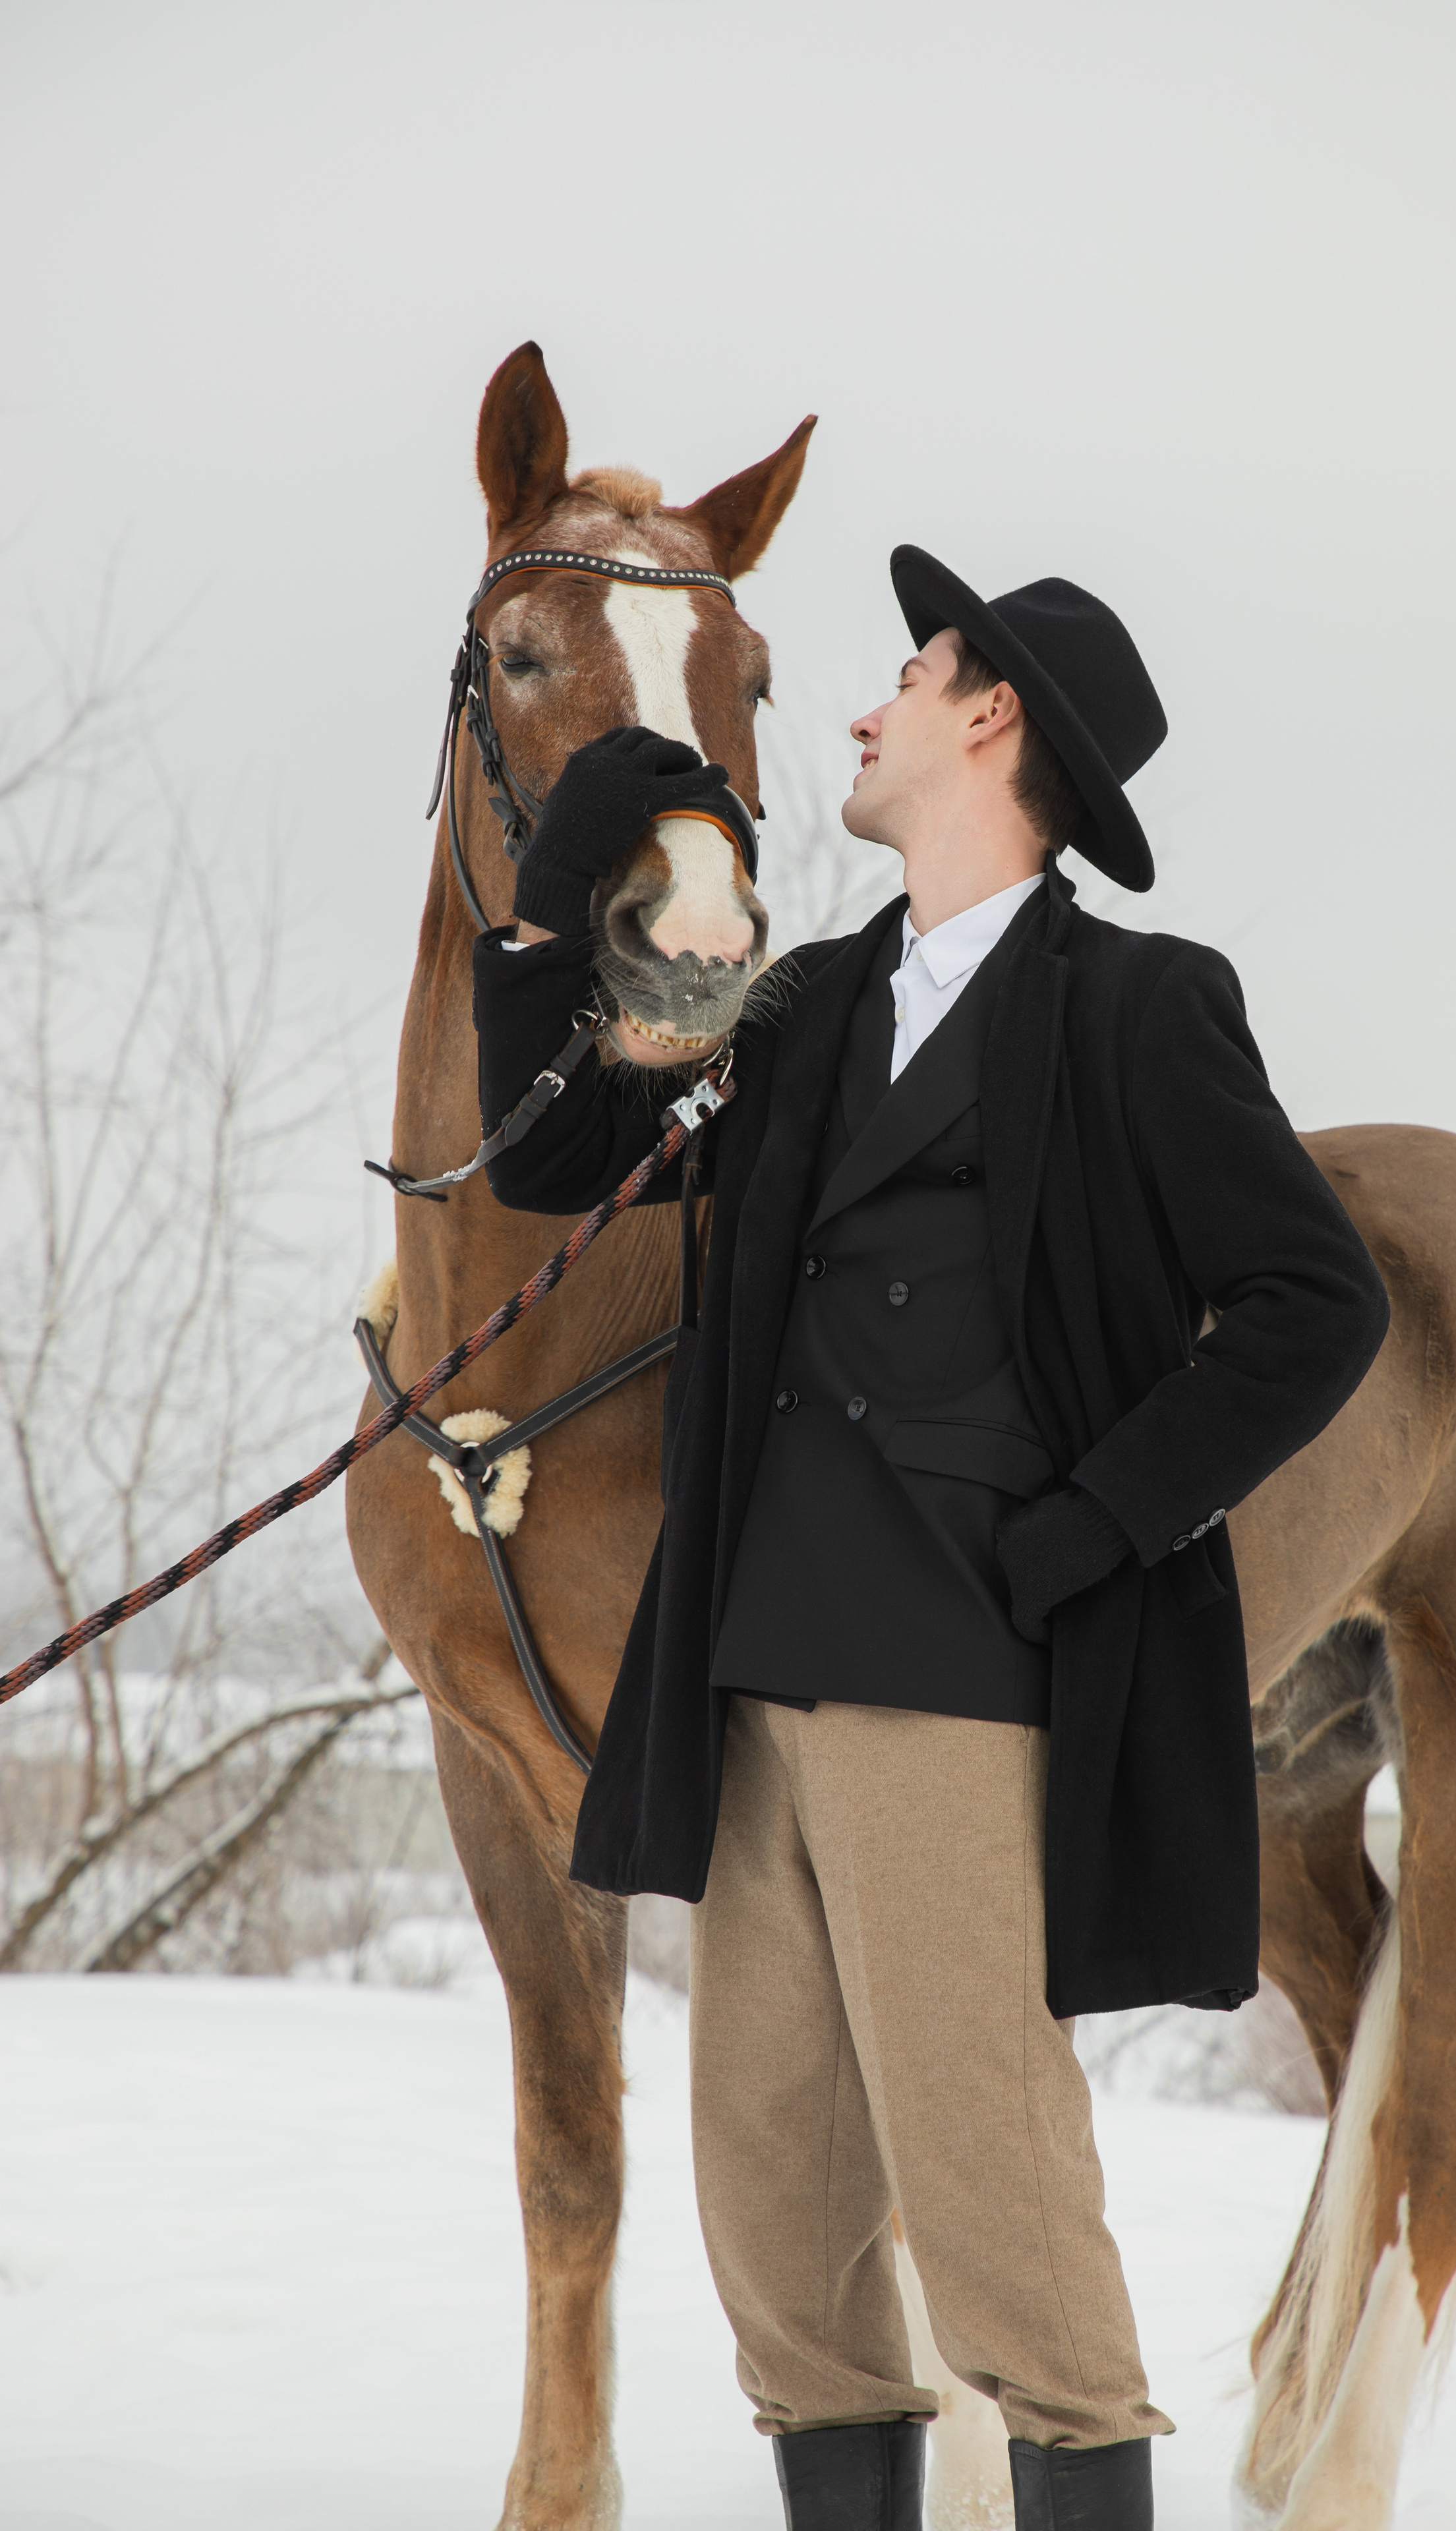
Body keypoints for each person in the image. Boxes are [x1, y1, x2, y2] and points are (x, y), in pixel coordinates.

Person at [471, 546, 1390, 2531]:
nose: (864, 709)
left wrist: (1089, 1531)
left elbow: (1319, 1306)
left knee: (999, 2211)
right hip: (751, 1680)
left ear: (994, 723)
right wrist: (568, 891)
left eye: (910, 672)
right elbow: (555, 1157)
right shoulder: (798, 1009)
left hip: (963, 1670)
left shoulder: (1141, 1005)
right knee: (780, 2251)